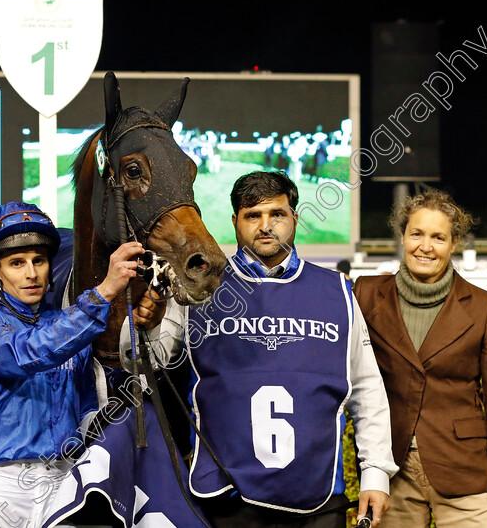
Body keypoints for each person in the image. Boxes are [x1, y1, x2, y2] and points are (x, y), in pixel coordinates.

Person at [127, 171, 397, 527]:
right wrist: (147, 324)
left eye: (277, 215)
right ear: (235, 221)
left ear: (294, 218)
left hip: (318, 499)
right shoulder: (196, 289)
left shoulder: (337, 292)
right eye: (253, 215)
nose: (266, 226)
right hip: (224, 496)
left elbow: (367, 391)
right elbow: (145, 363)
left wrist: (376, 474)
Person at [0, 202, 144, 527]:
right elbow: (25, 354)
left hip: (63, 480)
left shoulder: (68, 325)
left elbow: (86, 412)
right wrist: (103, 292)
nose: (31, 273)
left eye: (38, 261)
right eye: (17, 263)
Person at [353, 190, 487, 528]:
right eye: (416, 234)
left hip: (465, 474)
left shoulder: (485, 307)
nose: (425, 247)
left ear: (454, 243)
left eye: (438, 237)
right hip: (391, 473)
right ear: (402, 236)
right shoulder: (365, 294)